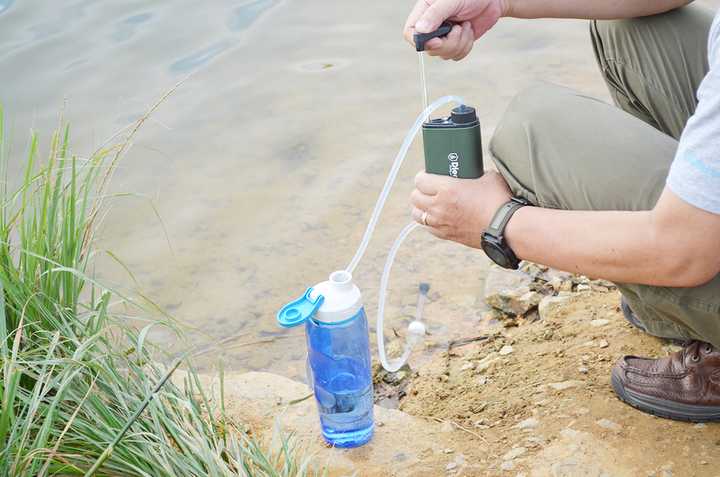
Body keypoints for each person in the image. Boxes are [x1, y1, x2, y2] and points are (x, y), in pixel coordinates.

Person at [404, 0, 720, 422]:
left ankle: (695, 310)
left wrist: (496, 221)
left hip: (690, 250)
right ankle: (676, 302)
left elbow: (683, 251)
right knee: (632, 30)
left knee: (532, 128)